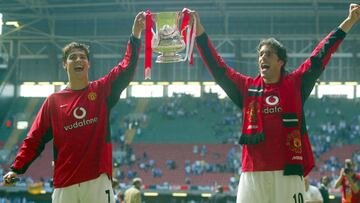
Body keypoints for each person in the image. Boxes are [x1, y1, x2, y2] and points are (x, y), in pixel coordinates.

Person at [189, 3, 360, 203]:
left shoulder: (296, 83)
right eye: (260, 54)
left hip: (287, 172)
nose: (263, 57)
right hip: (253, 173)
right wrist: (199, 32)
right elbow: (218, 68)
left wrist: (348, 22)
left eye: (268, 54)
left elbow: (322, 54)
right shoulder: (247, 87)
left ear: (281, 61)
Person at [2, 11, 146, 203]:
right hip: (65, 184)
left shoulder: (102, 90)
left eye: (82, 57)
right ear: (64, 65)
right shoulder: (53, 101)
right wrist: (16, 168)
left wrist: (135, 35)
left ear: (88, 64)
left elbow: (126, 68)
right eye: (72, 57)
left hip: (98, 180)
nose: (78, 60)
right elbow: (34, 139)